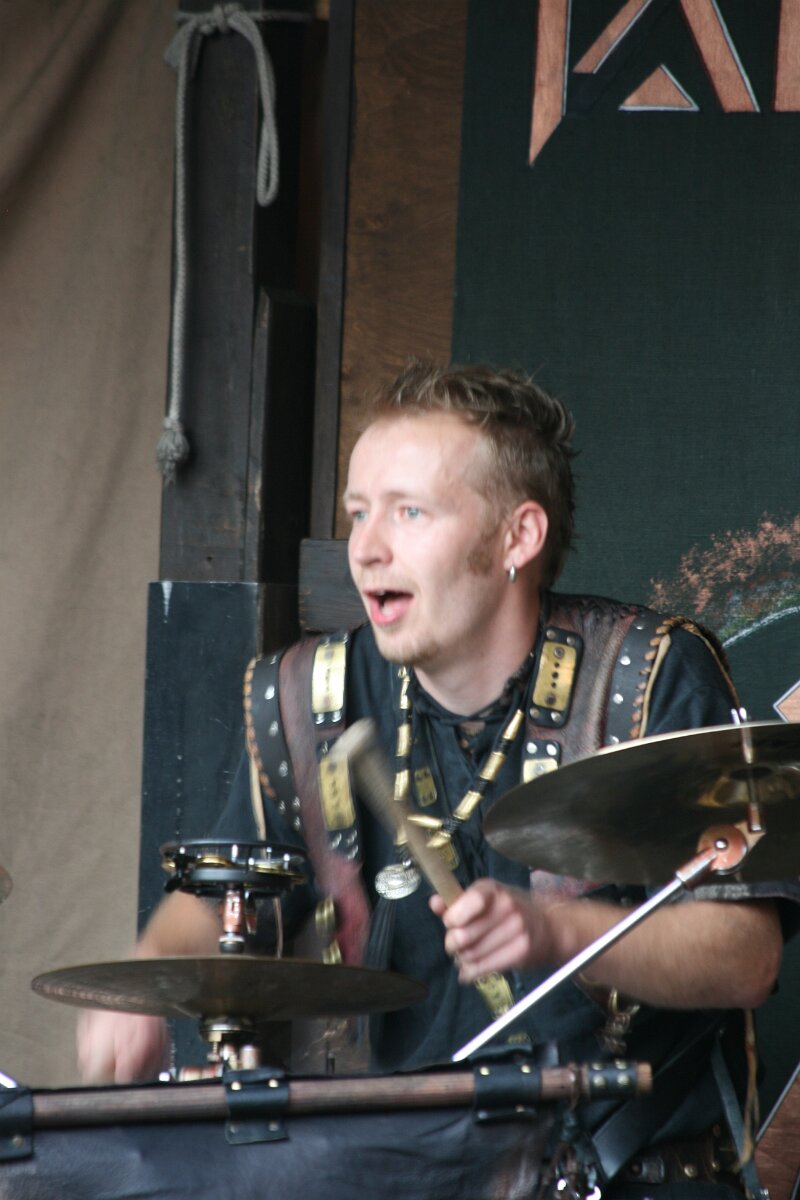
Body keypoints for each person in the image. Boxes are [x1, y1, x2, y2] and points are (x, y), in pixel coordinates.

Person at [78, 361, 791, 1194]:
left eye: (409, 512)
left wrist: (557, 931)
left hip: (625, 1176)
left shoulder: (648, 677)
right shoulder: (307, 699)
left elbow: (746, 958)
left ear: (518, 538)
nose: (367, 547)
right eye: (358, 513)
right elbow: (222, 900)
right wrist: (146, 976)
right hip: (395, 1175)